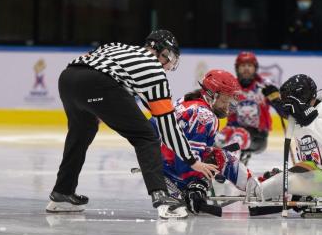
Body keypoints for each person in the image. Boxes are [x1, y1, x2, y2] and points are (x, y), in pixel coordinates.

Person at [46, 29, 219, 219]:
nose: (169, 66)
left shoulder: (117, 47)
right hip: (99, 84)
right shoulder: (154, 70)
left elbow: (88, 62)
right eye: (171, 59)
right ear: (164, 53)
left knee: (81, 133)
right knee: (146, 137)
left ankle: (62, 193)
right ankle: (161, 198)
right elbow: (167, 126)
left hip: (68, 78)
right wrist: (192, 160)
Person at [155, 69, 261, 215]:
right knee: (221, 157)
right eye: (226, 99)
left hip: (159, 164)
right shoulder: (205, 115)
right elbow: (188, 156)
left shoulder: (184, 101)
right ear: (212, 94)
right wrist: (195, 186)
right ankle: (256, 189)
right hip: (172, 171)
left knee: (214, 152)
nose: (229, 106)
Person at [222, 51, 283, 165]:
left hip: (257, 137)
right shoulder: (231, 87)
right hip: (233, 131)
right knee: (218, 139)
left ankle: (232, 166)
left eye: (249, 65)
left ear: (255, 68)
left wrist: (276, 99)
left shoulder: (265, 86)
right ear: (237, 68)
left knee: (238, 137)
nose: (246, 69)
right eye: (243, 66)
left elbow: (283, 112)